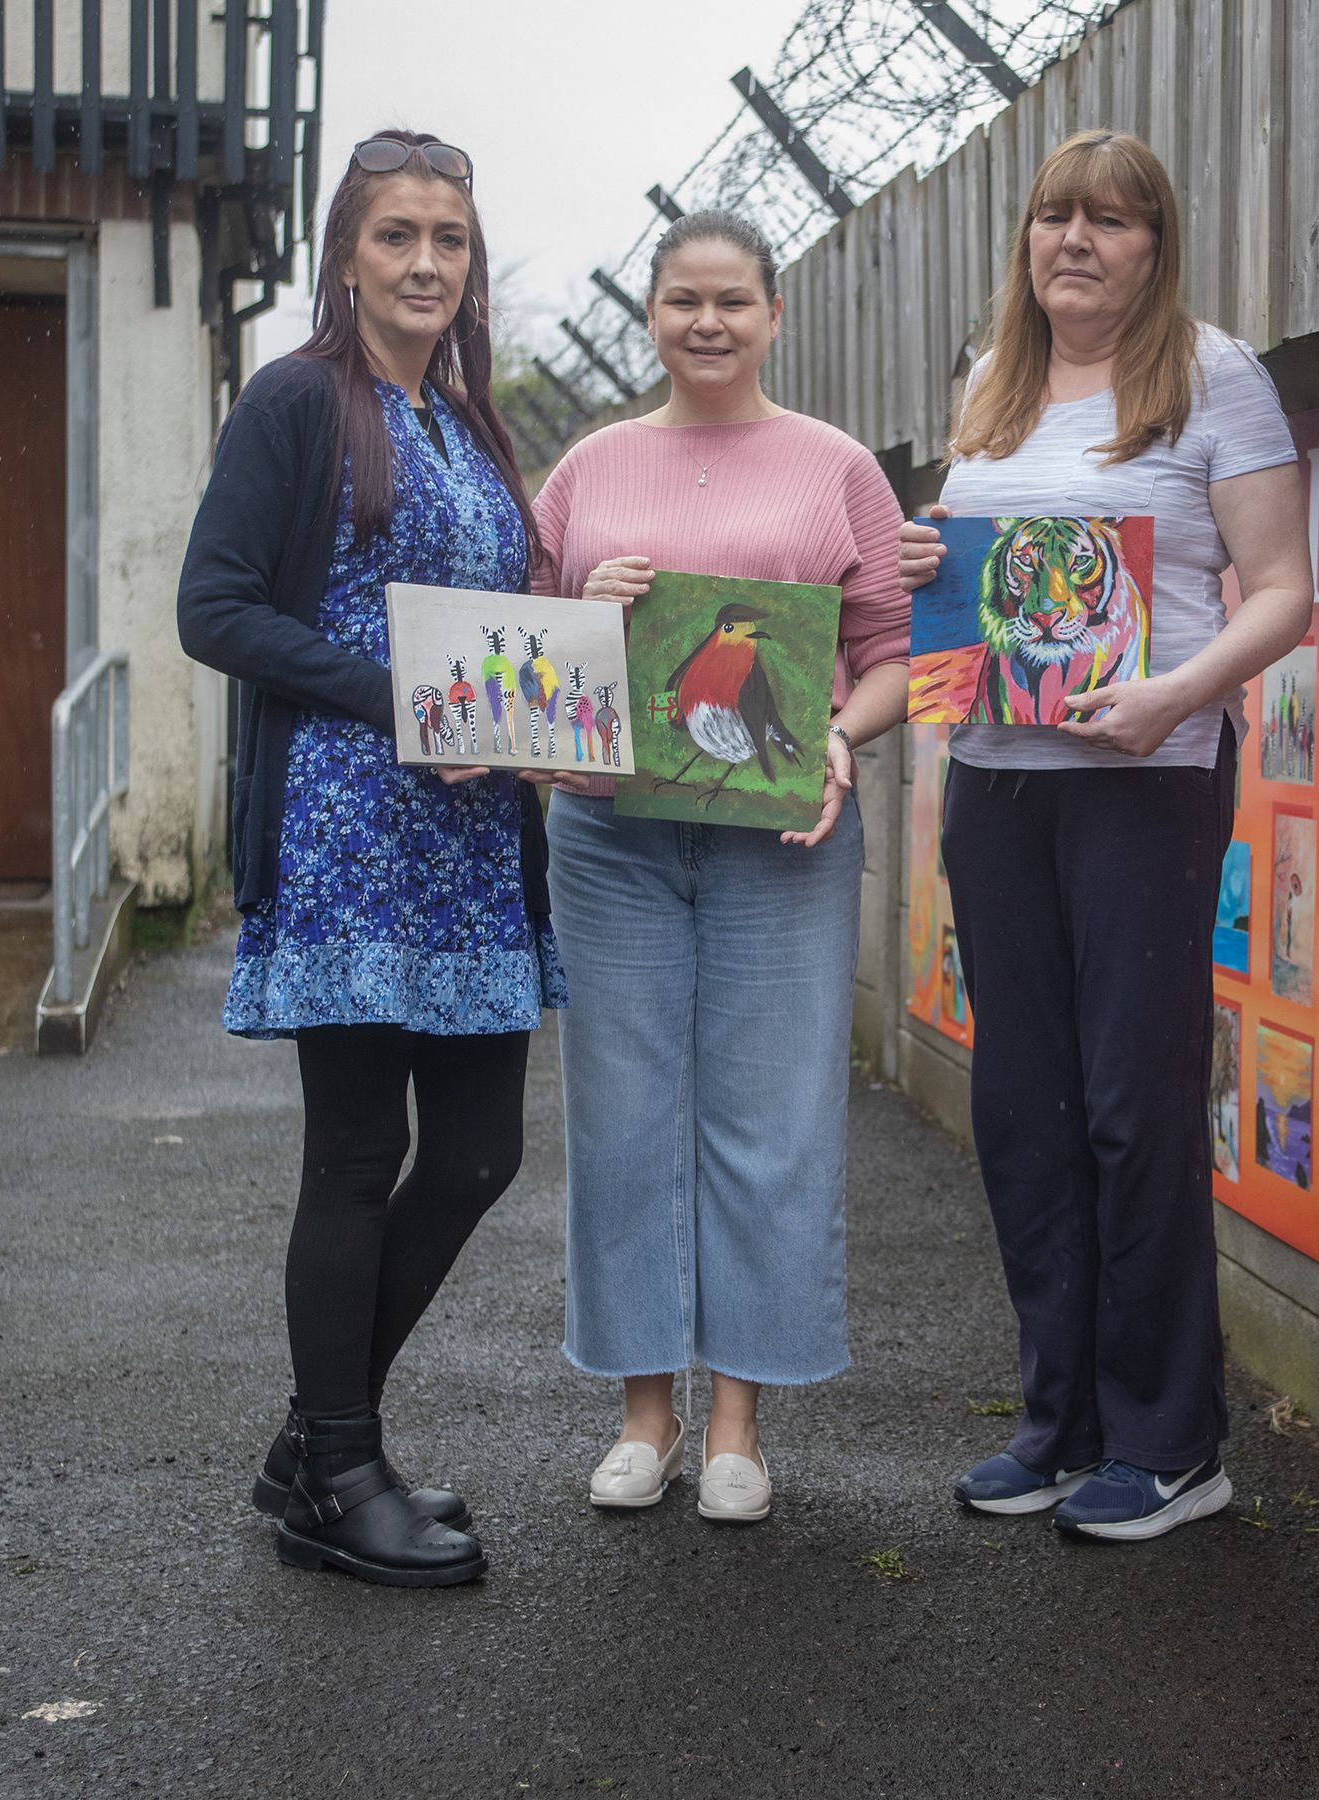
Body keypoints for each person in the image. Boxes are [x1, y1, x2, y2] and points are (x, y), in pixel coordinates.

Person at [898, 129, 1313, 1542]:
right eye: (1054, 217)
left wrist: (1181, 695)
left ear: (1156, 243)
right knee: (1024, 1109)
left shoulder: (1213, 375)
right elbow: (972, 571)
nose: (1076, 240)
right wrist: (920, 552)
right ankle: (1058, 1423)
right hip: (995, 776)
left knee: (1134, 1109)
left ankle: (1170, 1441)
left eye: (1112, 221)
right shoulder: (991, 386)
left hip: (1144, 779)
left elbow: (1282, 592)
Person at [178, 129, 565, 1586]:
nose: (423, 262)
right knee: (356, 1160)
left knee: (477, 1153)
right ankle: (339, 1466)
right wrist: (395, 696)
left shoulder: (472, 425)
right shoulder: (296, 402)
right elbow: (214, 612)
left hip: (470, 844)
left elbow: (493, 641)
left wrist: (546, 703)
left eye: (448, 240)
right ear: (349, 254)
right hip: (347, 833)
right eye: (396, 235)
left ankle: (310, 1442)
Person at [535, 210, 910, 1522]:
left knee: (774, 1116)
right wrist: (585, 617)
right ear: (651, 312)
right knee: (624, 1115)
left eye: (733, 302)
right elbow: (531, 653)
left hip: (785, 838)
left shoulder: (837, 468)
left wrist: (842, 744)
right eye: (684, 300)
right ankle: (645, 1415)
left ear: (773, 314)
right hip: (608, 836)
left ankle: (740, 1424)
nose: (708, 323)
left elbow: (897, 653)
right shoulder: (585, 468)